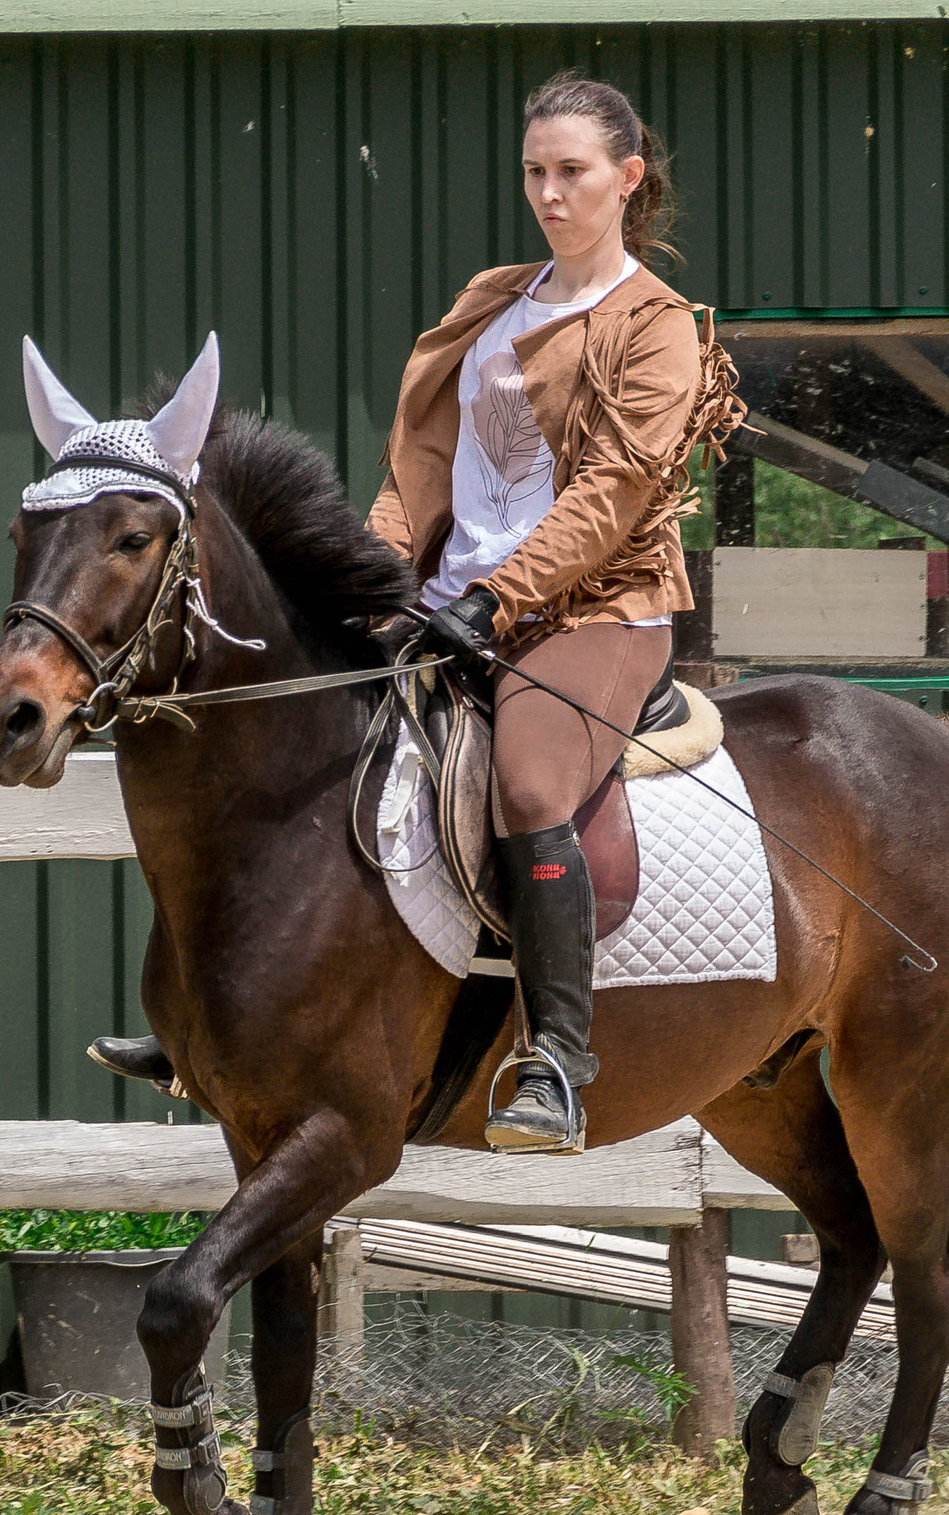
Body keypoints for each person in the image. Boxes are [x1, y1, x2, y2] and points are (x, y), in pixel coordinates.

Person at [94, 70, 737, 1150]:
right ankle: (223, 1020)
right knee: (289, 740)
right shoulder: (492, 300)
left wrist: (500, 597)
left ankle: (558, 1062)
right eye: (534, 172)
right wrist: (383, 577)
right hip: (448, 601)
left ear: (627, 180)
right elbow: (424, 464)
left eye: (572, 172)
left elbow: (615, 490)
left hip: (593, 612)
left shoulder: (656, 327)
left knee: (529, 781)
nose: (549, 192)